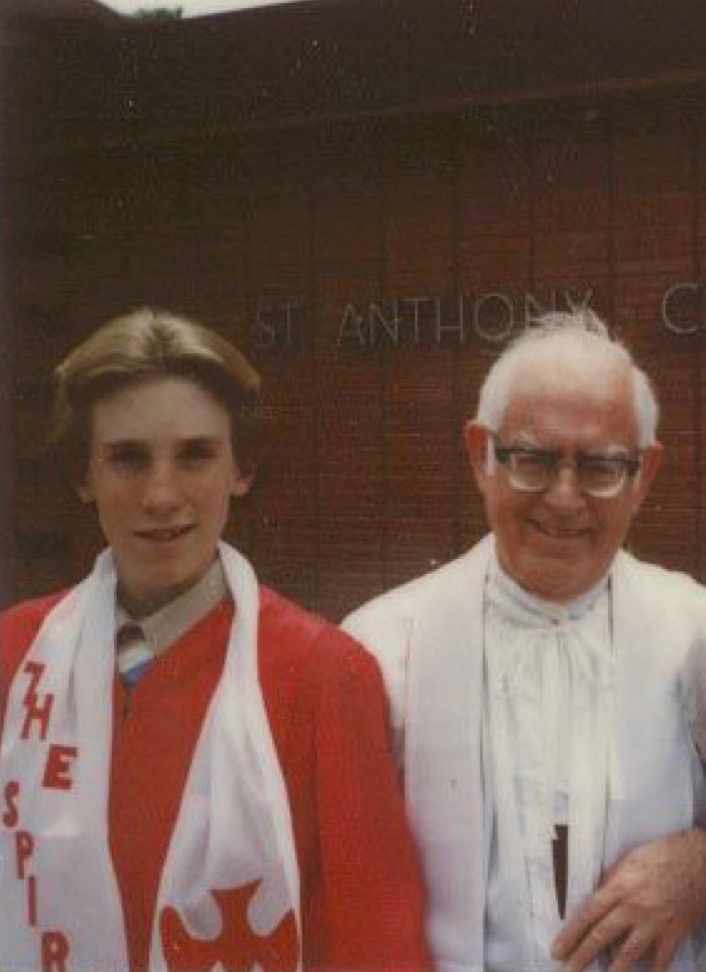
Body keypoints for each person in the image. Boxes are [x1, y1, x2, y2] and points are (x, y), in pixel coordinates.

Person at [0, 307, 430, 972]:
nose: (162, 494)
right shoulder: (15, 656)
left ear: (243, 469)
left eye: (196, 455)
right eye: (127, 460)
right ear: (83, 477)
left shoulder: (323, 675)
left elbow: (374, 941)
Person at [344, 310, 706, 972]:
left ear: (644, 474)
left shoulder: (695, 633)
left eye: (599, 466)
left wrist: (700, 867)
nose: (565, 500)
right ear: (480, 453)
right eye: (533, 460)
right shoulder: (379, 649)